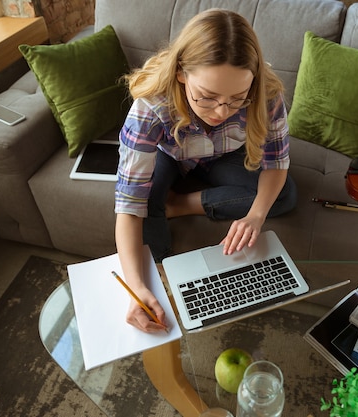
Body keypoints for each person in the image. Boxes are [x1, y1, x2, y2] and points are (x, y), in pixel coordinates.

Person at [114, 8, 297, 333]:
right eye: (207, 97)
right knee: (145, 204)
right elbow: (129, 207)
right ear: (182, 73)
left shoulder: (265, 93)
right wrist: (137, 287)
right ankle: (161, 279)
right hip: (169, 155)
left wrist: (255, 216)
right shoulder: (150, 106)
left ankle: (178, 205)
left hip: (226, 155)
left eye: (237, 99)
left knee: (284, 196)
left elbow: (277, 164)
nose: (222, 112)